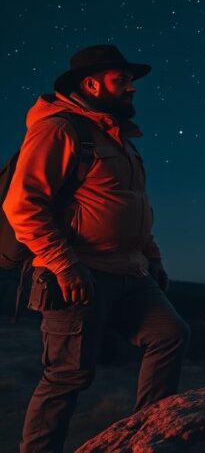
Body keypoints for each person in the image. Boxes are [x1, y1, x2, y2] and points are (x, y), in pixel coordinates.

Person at [3, 45, 190, 452]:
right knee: (67, 377)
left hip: (130, 272)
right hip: (76, 273)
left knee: (169, 333)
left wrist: (152, 257)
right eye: (121, 79)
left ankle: (150, 438)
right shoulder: (60, 130)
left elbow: (135, 207)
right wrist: (63, 266)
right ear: (91, 84)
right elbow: (22, 205)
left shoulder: (123, 143)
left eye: (131, 81)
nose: (131, 88)